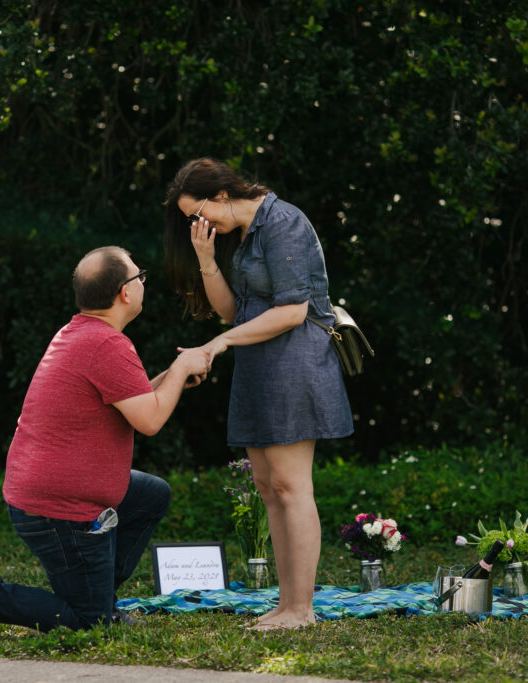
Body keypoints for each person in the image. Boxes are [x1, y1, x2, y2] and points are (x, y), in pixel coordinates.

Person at [0, 246, 211, 639]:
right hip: (59, 509)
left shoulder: (83, 333)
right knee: (88, 623)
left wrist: (173, 377)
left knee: (150, 495)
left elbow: (132, 403)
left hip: (49, 491)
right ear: (125, 292)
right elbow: (150, 421)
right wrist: (183, 365)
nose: (144, 282)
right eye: (140, 276)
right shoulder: (106, 344)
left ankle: (98, 595)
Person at [164, 158, 354, 631]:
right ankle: (286, 603)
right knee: (269, 489)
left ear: (223, 193)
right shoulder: (245, 235)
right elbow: (235, 313)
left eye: (199, 211)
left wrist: (220, 344)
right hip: (258, 365)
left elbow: (292, 311)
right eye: (192, 218)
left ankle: (301, 610)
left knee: (292, 487)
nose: (199, 222)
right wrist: (208, 261)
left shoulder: (284, 221)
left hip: (293, 362)